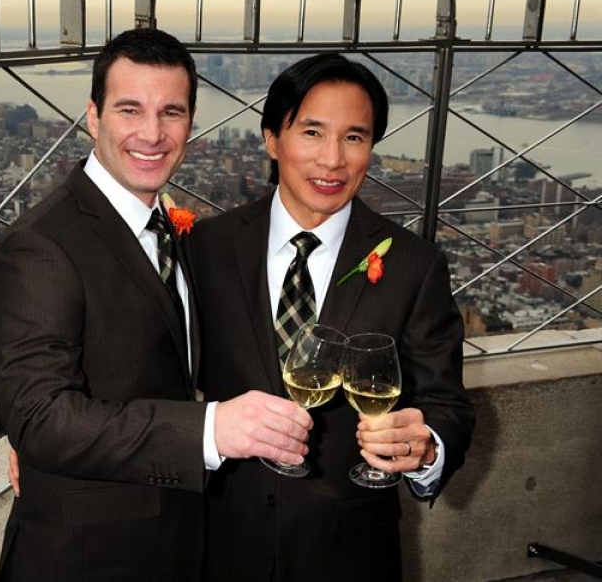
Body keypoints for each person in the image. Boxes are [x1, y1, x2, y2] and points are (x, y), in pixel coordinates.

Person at [0, 27, 312, 582]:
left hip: (176, 540)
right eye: (129, 110)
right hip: (84, 558)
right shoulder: (41, 245)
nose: (153, 134)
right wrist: (210, 432)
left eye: (172, 113)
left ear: (191, 122)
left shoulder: (168, 228)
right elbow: (39, 415)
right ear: (93, 117)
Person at [191, 53, 475, 582]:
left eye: (354, 138)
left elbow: (447, 403)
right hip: (219, 538)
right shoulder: (208, 245)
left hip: (349, 551)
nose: (333, 161)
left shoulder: (413, 264)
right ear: (272, 139)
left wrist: (426, 443)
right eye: (313, 132)